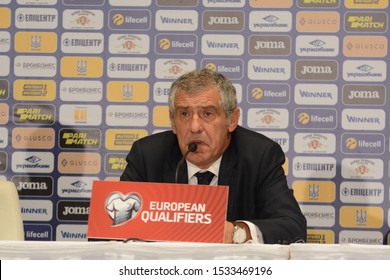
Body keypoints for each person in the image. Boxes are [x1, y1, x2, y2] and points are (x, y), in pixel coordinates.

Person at [120, 68, 306, 244]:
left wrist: (236, 233)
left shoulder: (258, 156)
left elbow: (293, 227)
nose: (194, 127)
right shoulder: (148, 156)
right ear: (173, 122)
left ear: (231, 119)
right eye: (184, 114)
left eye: (207, 114)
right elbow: (110, 226)